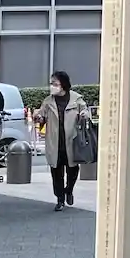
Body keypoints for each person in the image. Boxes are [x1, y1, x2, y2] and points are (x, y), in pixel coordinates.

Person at [34, 71, 90, 212]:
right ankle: (60, 199)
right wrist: (38, 117)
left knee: (73, 169)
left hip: (71, 141)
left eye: (55, 84)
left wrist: (84, 114)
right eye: (51, 83)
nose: (52, 86)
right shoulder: (48, 101)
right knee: (56, 172)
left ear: (63, 85)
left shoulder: (76, 99)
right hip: (55, 142)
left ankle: (69, 190)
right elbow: (42, 116)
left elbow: (85, 111)